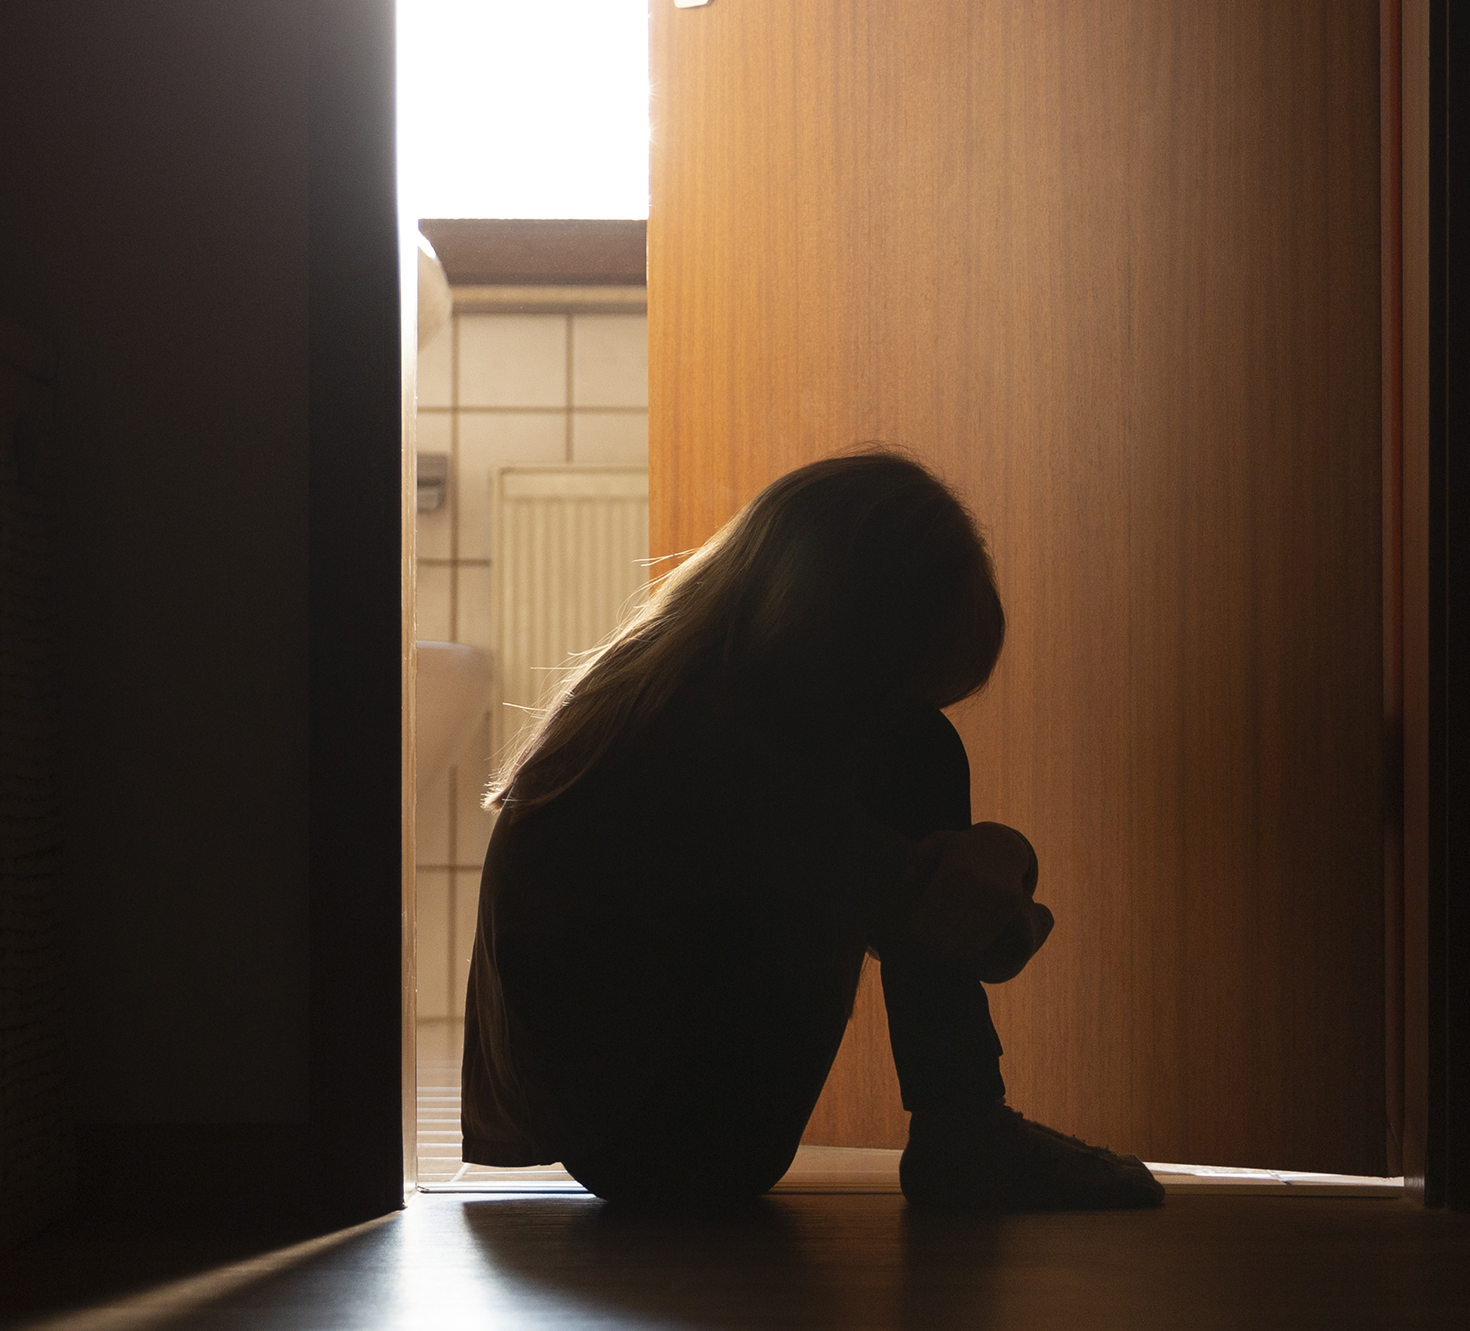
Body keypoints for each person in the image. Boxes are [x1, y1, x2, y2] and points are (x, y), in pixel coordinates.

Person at [459, 450, 1162, 1211]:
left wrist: (982, 865)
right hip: (677, 1151)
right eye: (895, 688)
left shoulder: (663, 693)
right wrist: (1001, 855)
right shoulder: (716, 747)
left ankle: (966, 1132)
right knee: (920, 753)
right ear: (848, 641)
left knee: (912, 759)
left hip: (624, 1134)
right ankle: (966, 1130)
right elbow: (976, 931)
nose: (893, 711)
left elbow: (926, 898)